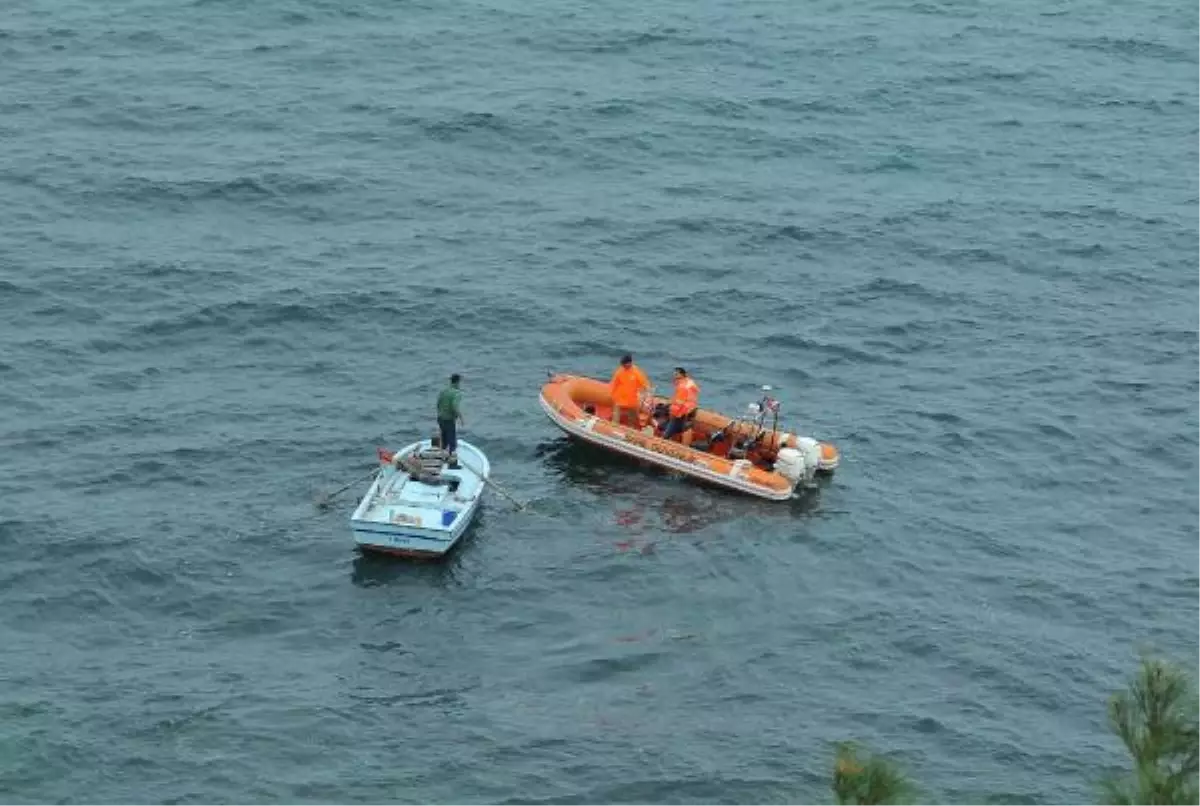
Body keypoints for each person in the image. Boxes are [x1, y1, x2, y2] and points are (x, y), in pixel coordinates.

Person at [609, 353, 652, 427]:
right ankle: (614, 427)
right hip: (620, 397)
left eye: (624, 364)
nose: (623, 366)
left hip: (632, 399)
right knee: (616, 413)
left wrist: (647, 395)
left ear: (630, 363)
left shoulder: (636, 372)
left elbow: (645, 384)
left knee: (632, 418)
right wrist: (612, 394)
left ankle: (631, 430)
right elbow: (614, 383)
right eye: (622, 364)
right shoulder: (620, 371)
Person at [661, 367, 700, 445]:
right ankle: (684, 446)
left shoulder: (682, 387)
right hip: (691, 409)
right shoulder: (690, 382)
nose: (674, 376)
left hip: (681, 412)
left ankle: (665, 443)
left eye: (676, 375)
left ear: (681, 375)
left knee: (667, 433)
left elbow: (678, 405)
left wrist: (671, 412)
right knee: (686, 429)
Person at [436, 373, 464, 459]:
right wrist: (461, 417)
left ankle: (442, 457)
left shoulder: (443, 391)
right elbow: (454, 406)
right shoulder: (457, 393)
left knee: (444, 441)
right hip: (449, 420)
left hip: (440, 418)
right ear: (458, 382)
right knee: (452, 443)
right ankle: (452, 462)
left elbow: (438, 404)